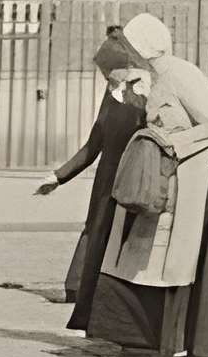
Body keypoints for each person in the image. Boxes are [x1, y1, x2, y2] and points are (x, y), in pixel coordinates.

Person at [86, 11, 208, 357]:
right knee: (145, 257)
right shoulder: (155, 78)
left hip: (198, 181)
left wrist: (171, 143)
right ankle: (143, 340)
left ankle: (200, 349)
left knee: (183, 263)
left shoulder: (181, 74)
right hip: (167, 179)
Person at [36, 26, 149, 332]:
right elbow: (93, 144)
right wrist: (58, 177)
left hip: (132, 184)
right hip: (104, 185)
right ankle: (85, 307)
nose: (106, 79)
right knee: (97, 241)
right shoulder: (111, 97)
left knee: (122, 250)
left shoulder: (147, 98)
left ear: (130, 69)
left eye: (111, 72)